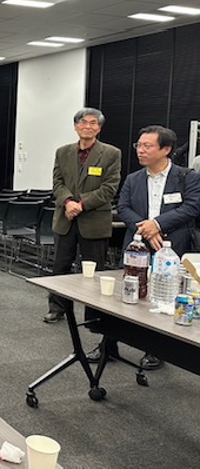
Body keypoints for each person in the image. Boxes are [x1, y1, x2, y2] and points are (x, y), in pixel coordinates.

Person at [106, 125, 200, 370]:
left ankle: (156, 350)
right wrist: (146, 228)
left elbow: (192, 207)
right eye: (139, 145)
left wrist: (156, 224)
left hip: (172, 245)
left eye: (147, 146)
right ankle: (109, 344)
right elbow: (123, 207)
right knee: (127, 292)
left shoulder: (186, 177)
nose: (140, 150)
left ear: (166, 149)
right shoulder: (133, 178)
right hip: (137, 244)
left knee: (163, 297)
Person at [44, 107, 121, 323]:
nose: (88, 126)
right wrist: (68, 202)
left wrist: (81, 204)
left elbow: (109, 188)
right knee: (60, 267)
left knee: (94, 270)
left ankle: (94, 313)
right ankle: (57, 308)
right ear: (75, 126)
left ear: (99, 128)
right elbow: (57, 183)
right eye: (83, 122)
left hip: (94, 220)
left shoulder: (112, 153)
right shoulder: (62, 152)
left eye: (93, 123)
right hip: (65, 219)